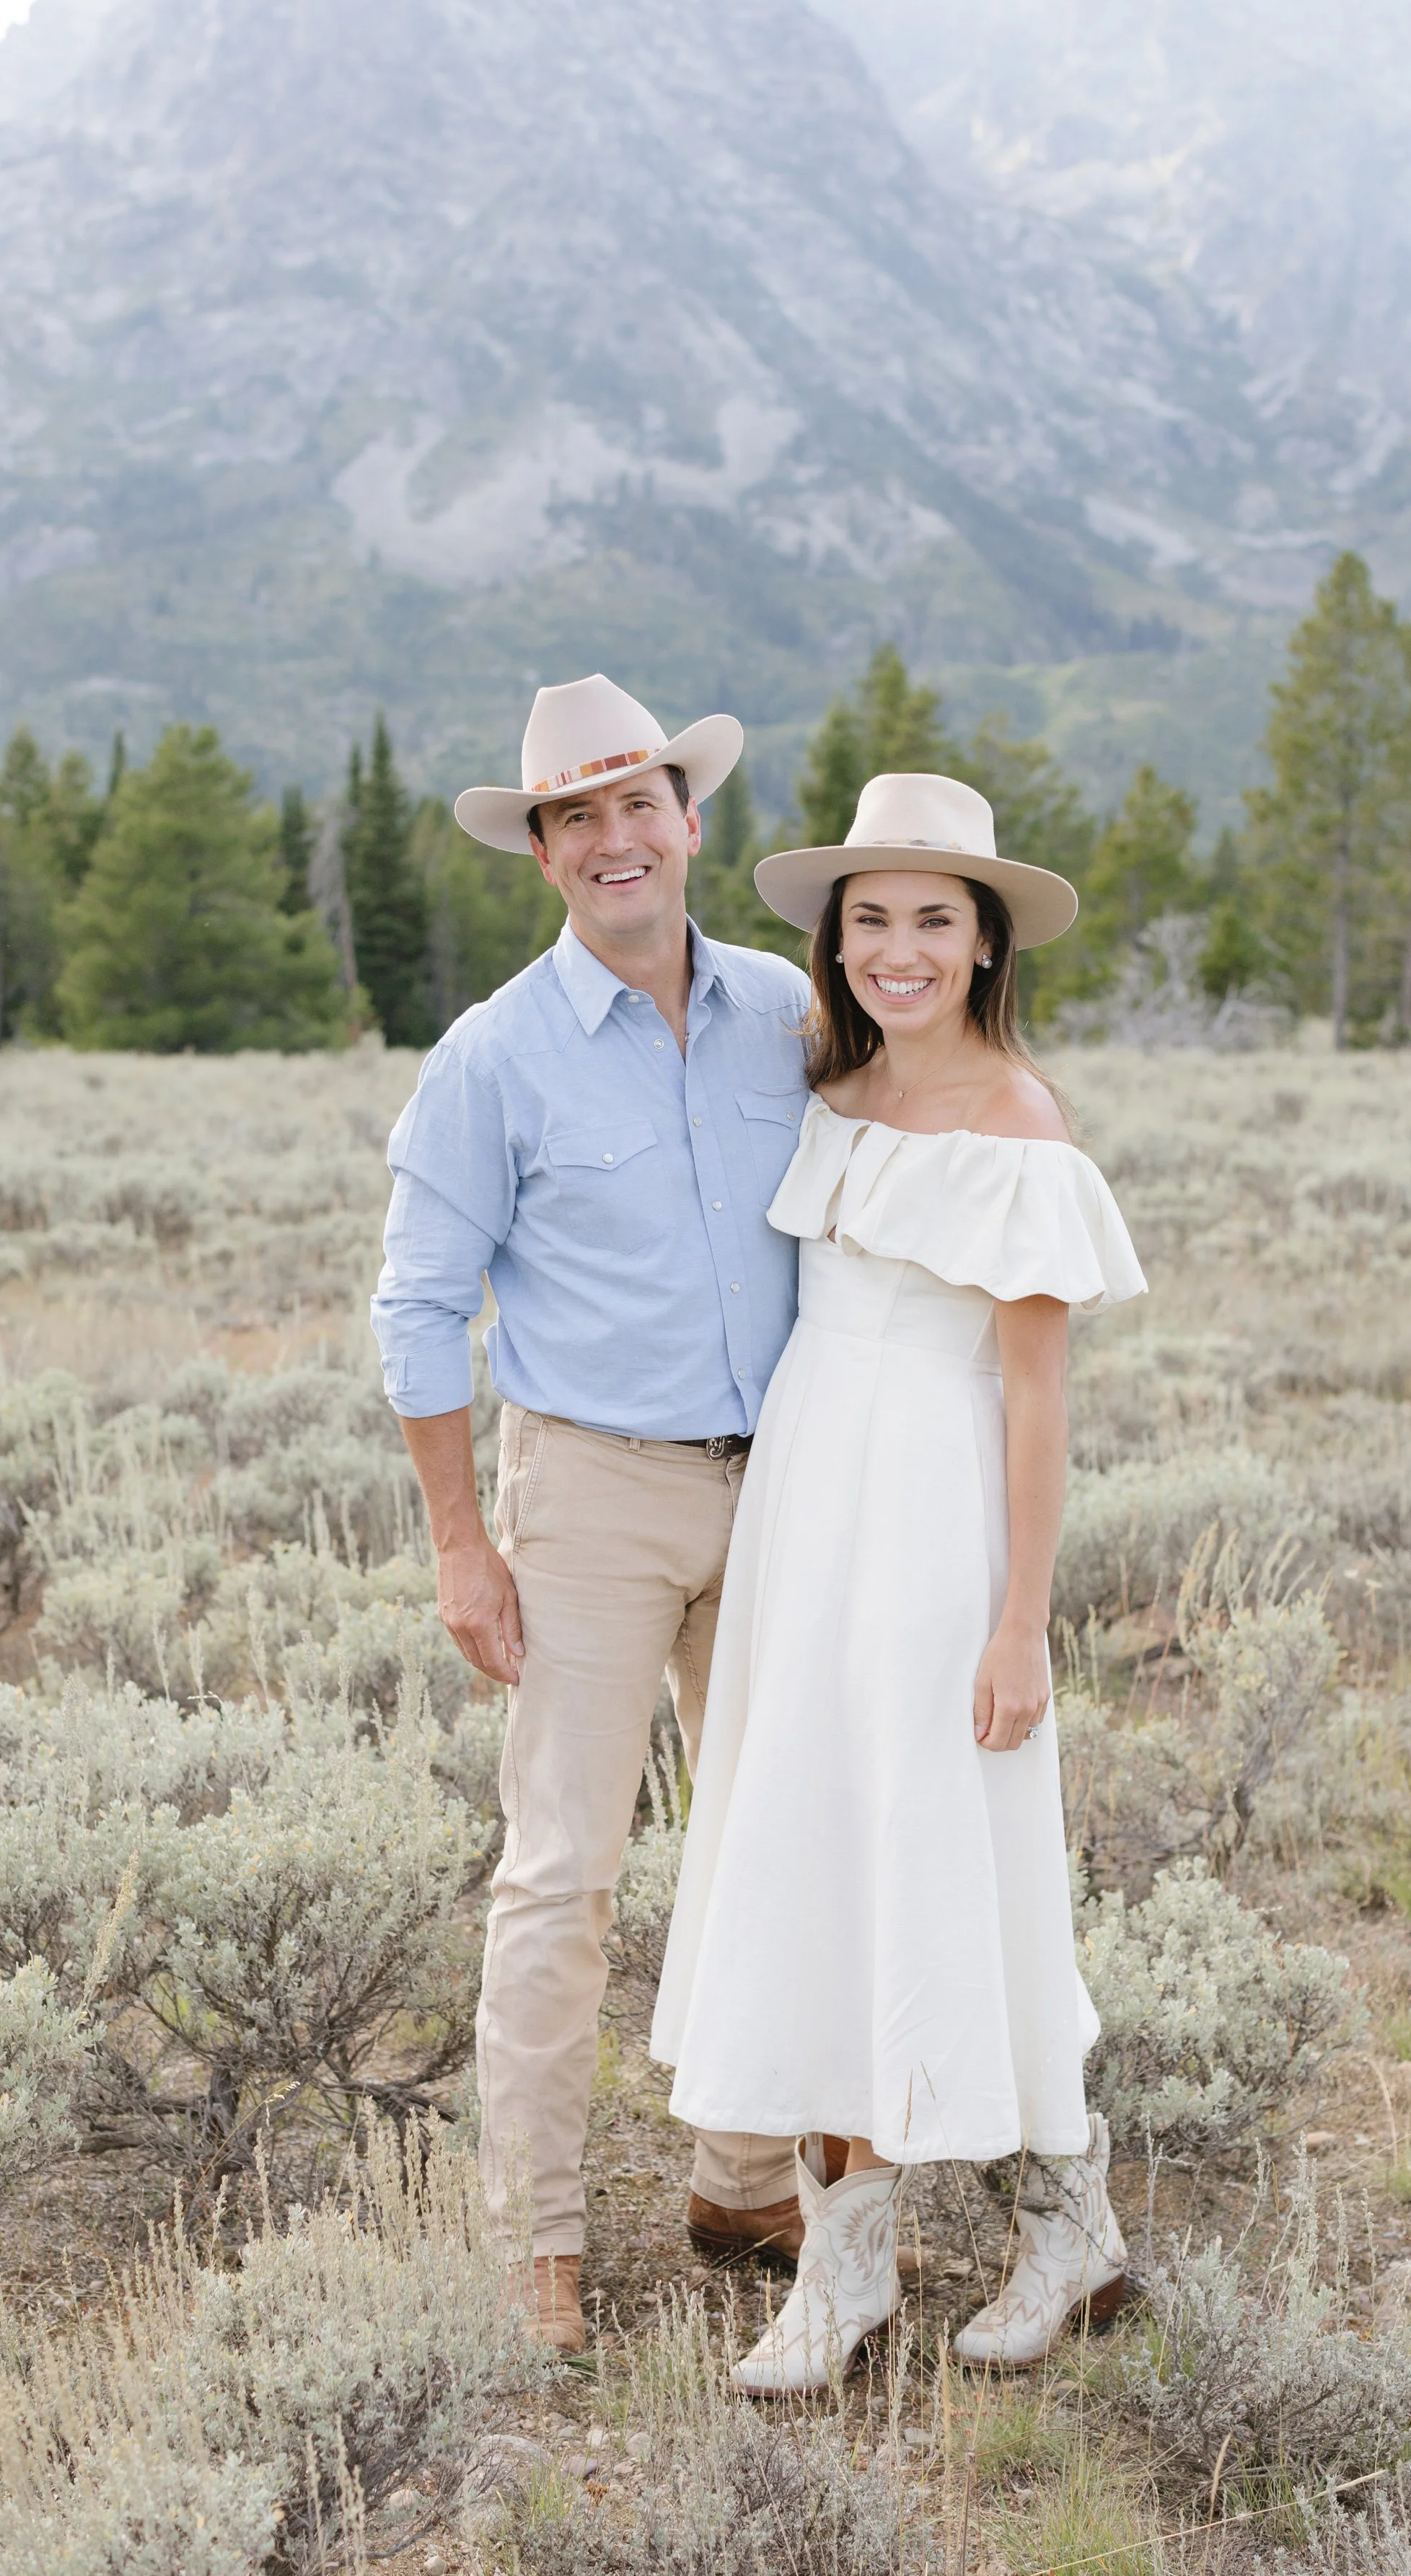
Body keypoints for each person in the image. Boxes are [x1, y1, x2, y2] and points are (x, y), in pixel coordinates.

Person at [651, 769, 1148, 2389]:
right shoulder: (831, 1092)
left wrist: (1019, 1621)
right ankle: (840, 2274)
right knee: (807, 1853)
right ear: (836, 945)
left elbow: (1032, 1393)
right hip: (810, 1514)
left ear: (987, 940)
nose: (897, 949)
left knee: (956, 1862)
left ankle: (1069, 2230)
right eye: (869, 920)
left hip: (939, 1529)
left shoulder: (1019, 1124)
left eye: (933, 918)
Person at [371, 673, 811, 2355]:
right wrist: (459, 1540)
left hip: (781, 1488)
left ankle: (744, 2177)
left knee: (770, 1843)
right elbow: (418, 1308)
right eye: (576, 817)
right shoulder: (493, 1057)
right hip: (592, 1498)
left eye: (640, 804)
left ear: (689, 824)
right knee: (561, 1873)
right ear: (544, 854)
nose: (614, 837)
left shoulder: (787, 1010)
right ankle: (535, 2249)